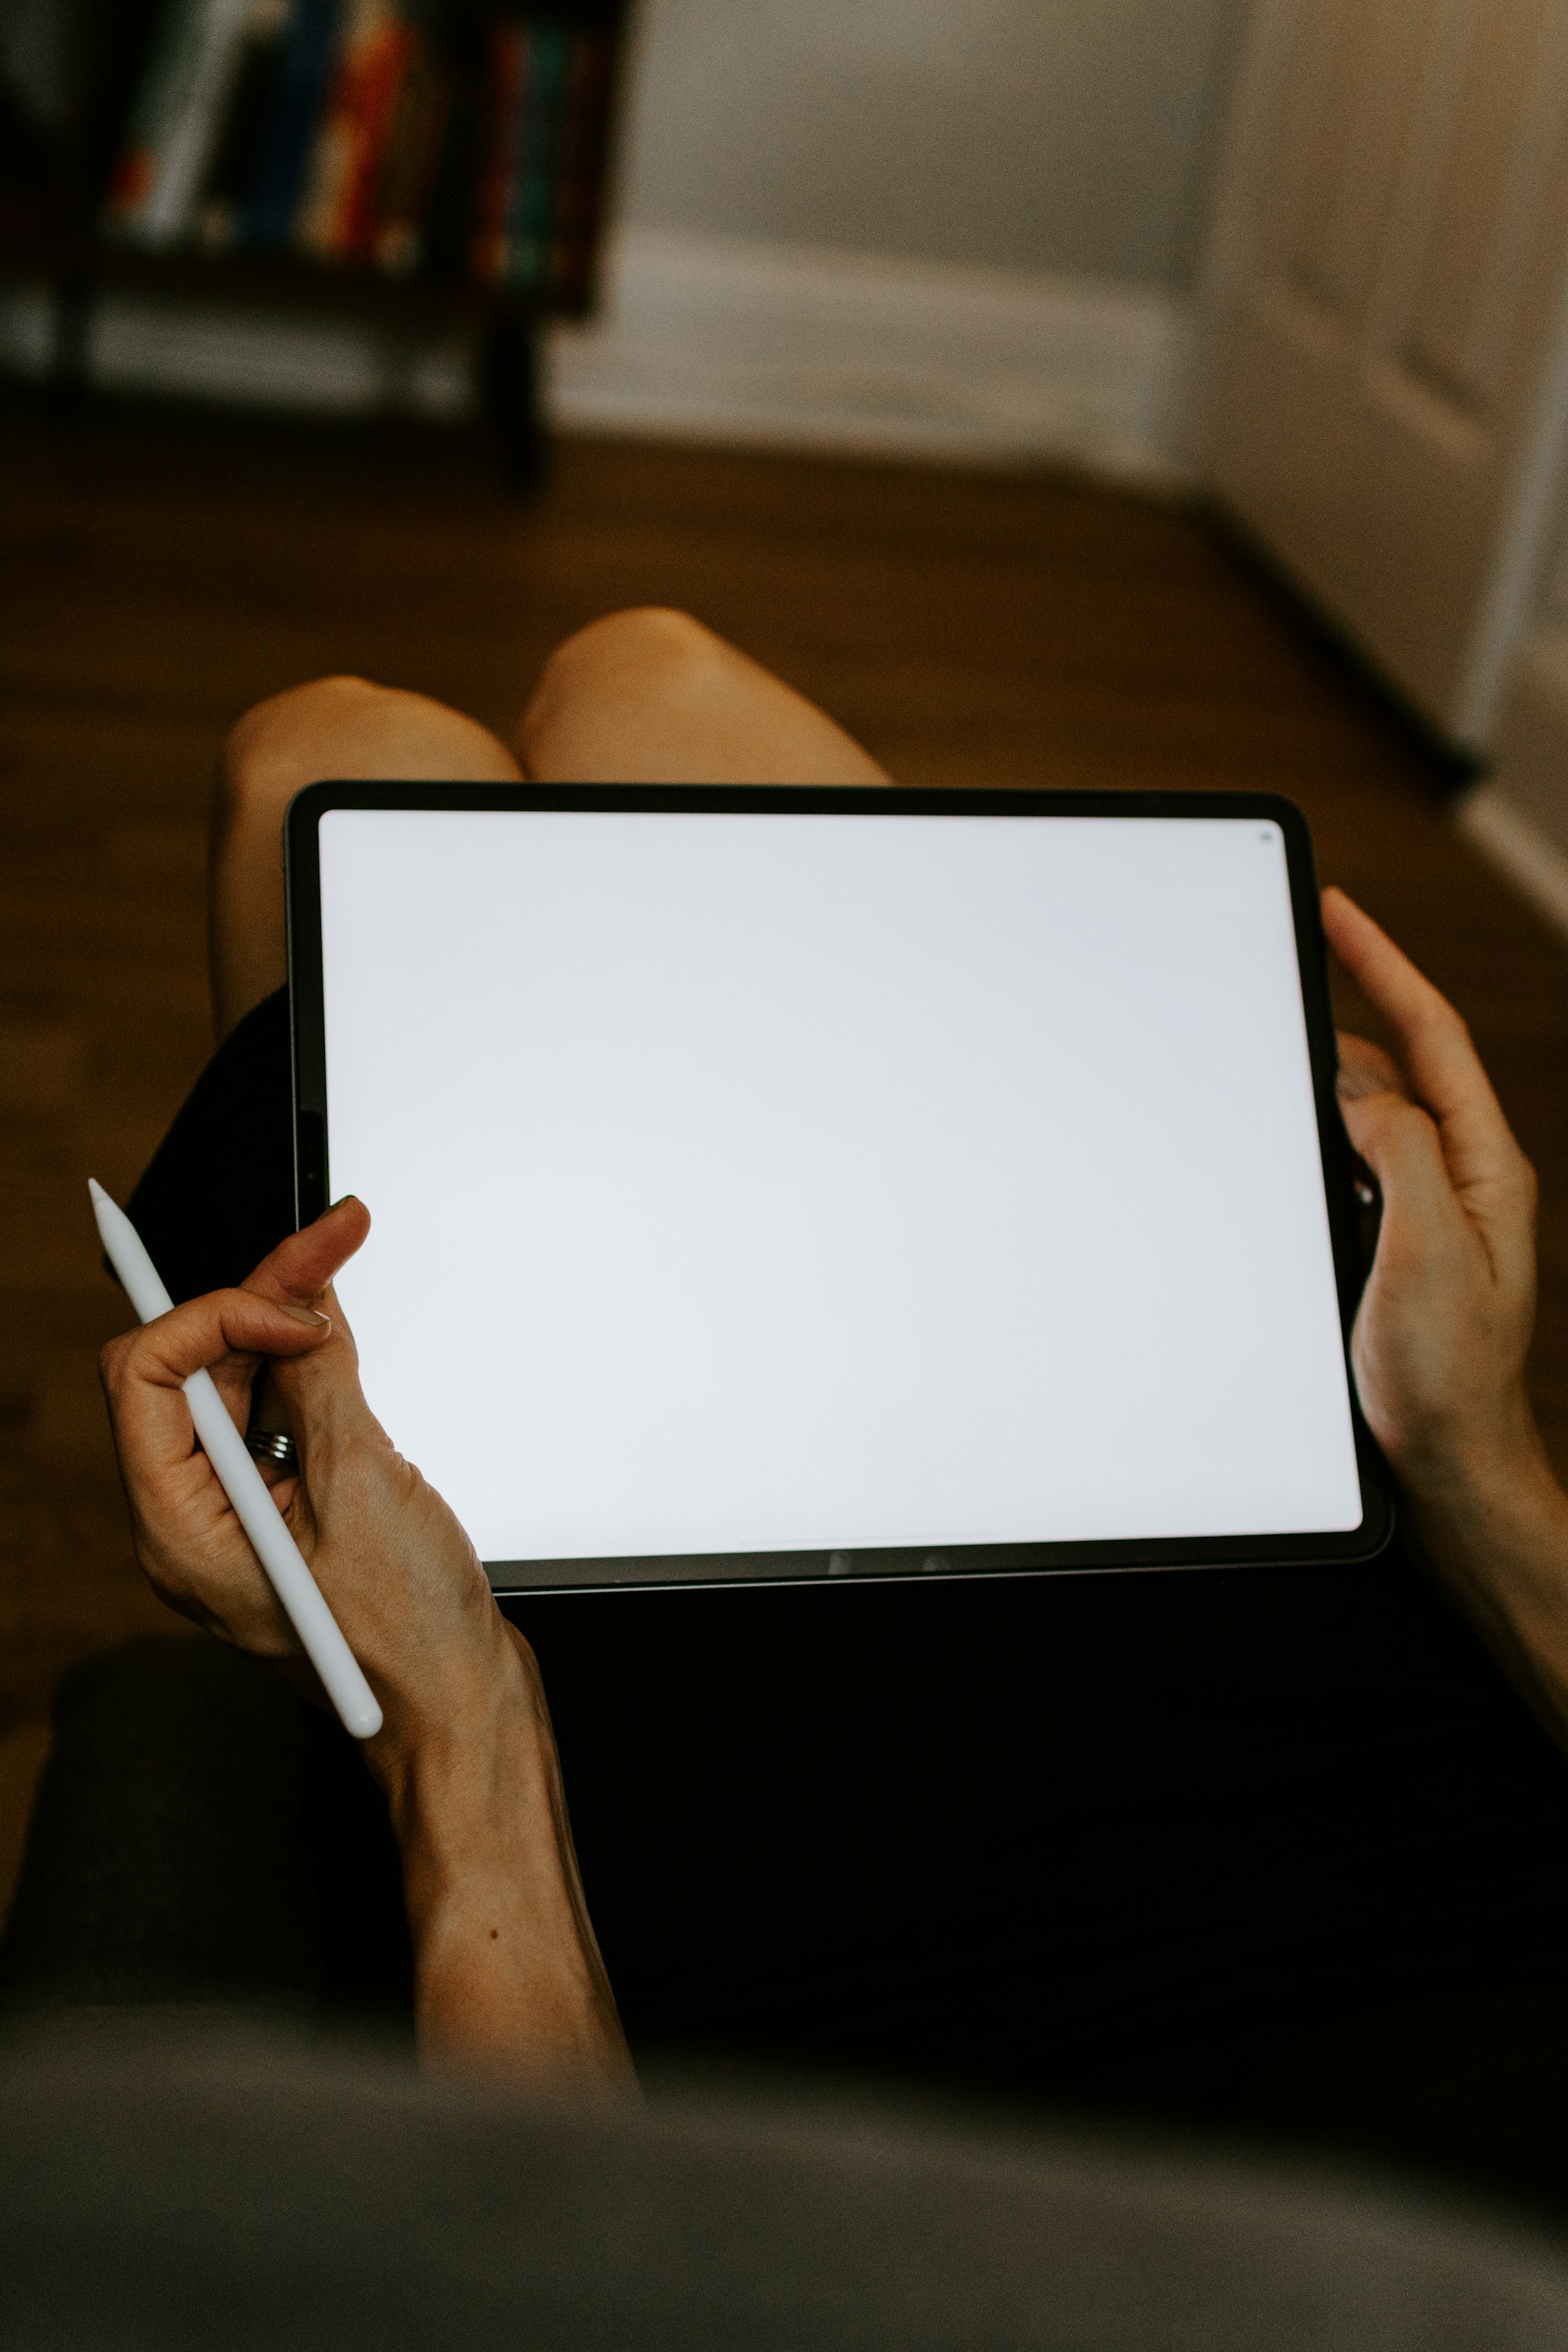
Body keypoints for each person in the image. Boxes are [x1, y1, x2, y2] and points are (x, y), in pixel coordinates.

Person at [7, 612, 1568, 2193]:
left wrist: (457, 1728)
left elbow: (578, 2265)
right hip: (1334, 1707)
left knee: (327, 760)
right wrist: (1481, 1458)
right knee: (643, 677)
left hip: (724, 1933)